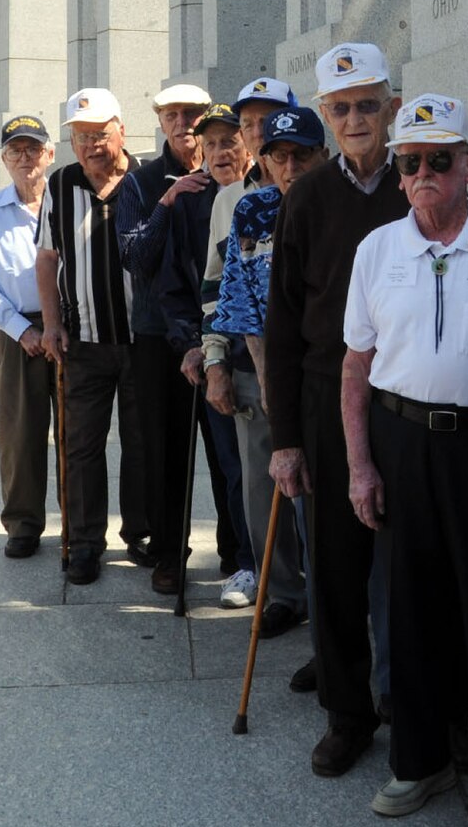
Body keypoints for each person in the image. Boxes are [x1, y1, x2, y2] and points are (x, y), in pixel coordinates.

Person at [343, 93, 468, 827]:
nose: (425, 172)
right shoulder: (377, 250)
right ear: (398, 173)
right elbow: (355, 368)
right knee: (409, 608)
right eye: (412, 161)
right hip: (399, 439)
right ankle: (414, 761)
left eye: (440, 159)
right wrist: (361, 464)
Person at [265, 42, 406, 777]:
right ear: (326, 114)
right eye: (342, 107)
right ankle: (348, 713)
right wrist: (286, 437)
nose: (356, 118)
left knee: (414, 565)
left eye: (368, 104)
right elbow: (283, 324)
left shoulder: (419, 176)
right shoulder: (307, 196)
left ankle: (423, 707)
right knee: (337, 566)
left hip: (406, 396)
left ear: (390, 103)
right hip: (324, 394)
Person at [207, 104, 325, 638]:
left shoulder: (335, 207)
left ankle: (330, 606)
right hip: (263, 371)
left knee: (319, 503)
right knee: (262, 489)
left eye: (302, 154)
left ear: (322, 155)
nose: (291, 166)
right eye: (280, 156)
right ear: (265, 160)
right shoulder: (251, 212)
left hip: (325, 376)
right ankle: (283, 593)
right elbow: (239, 303)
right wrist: (267, 378)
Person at [146, 102, 258, 607]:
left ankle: (247, 557)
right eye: (209, 143)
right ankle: (242, 563)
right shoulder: (192, 202)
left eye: (229, 141)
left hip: (260, 356)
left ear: (249, 145)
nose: (219, 152)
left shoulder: (266, 196)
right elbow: (172, 287)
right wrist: (191, 345)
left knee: (250, 465)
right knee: (232, 464)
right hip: (213, 352)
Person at [34, 88, 139, 586]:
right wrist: (51, 324)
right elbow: (48, 258)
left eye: (99, 134)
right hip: (82, 342)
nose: (91, 146)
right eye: (80, 138)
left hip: (143, 341)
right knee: (80, 447)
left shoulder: (148, 176)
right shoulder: (60, 184)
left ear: (121, 130)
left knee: (143, 445)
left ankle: (144, 535)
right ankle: (83, 543)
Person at [0, 114, 57, 559]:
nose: (25, 159)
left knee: (78, 436)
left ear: (49, 155)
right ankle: (22, 524)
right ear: (4, 159)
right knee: (20, 434)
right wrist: (22, 331)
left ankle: (79, 528)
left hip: (69, 328)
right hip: (14, 330)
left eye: (33, 149)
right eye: (16, 151)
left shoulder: (66, 200)